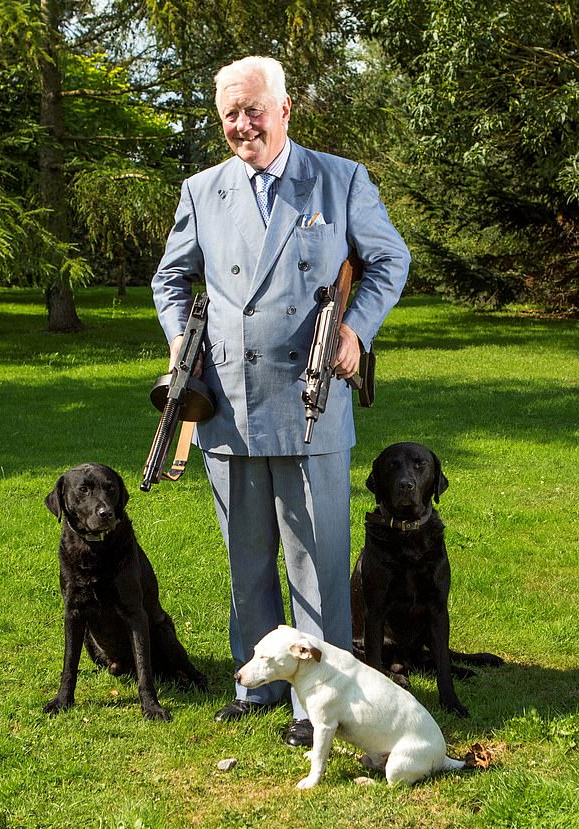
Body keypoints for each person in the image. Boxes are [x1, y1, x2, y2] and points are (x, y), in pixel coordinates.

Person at [151, 55, 410, 747]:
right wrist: (180, 341)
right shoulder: (202, 190)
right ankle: (261, 682)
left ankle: (317, 702)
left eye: (253, 110)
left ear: (286, 108)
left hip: (311, 399)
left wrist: (356, 328)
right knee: (246, 556)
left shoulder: (339, 177)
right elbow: (171, 278)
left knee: (317, 563)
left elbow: (392, 259)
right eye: (230, 114)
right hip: (228, 403)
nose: (242, 125)